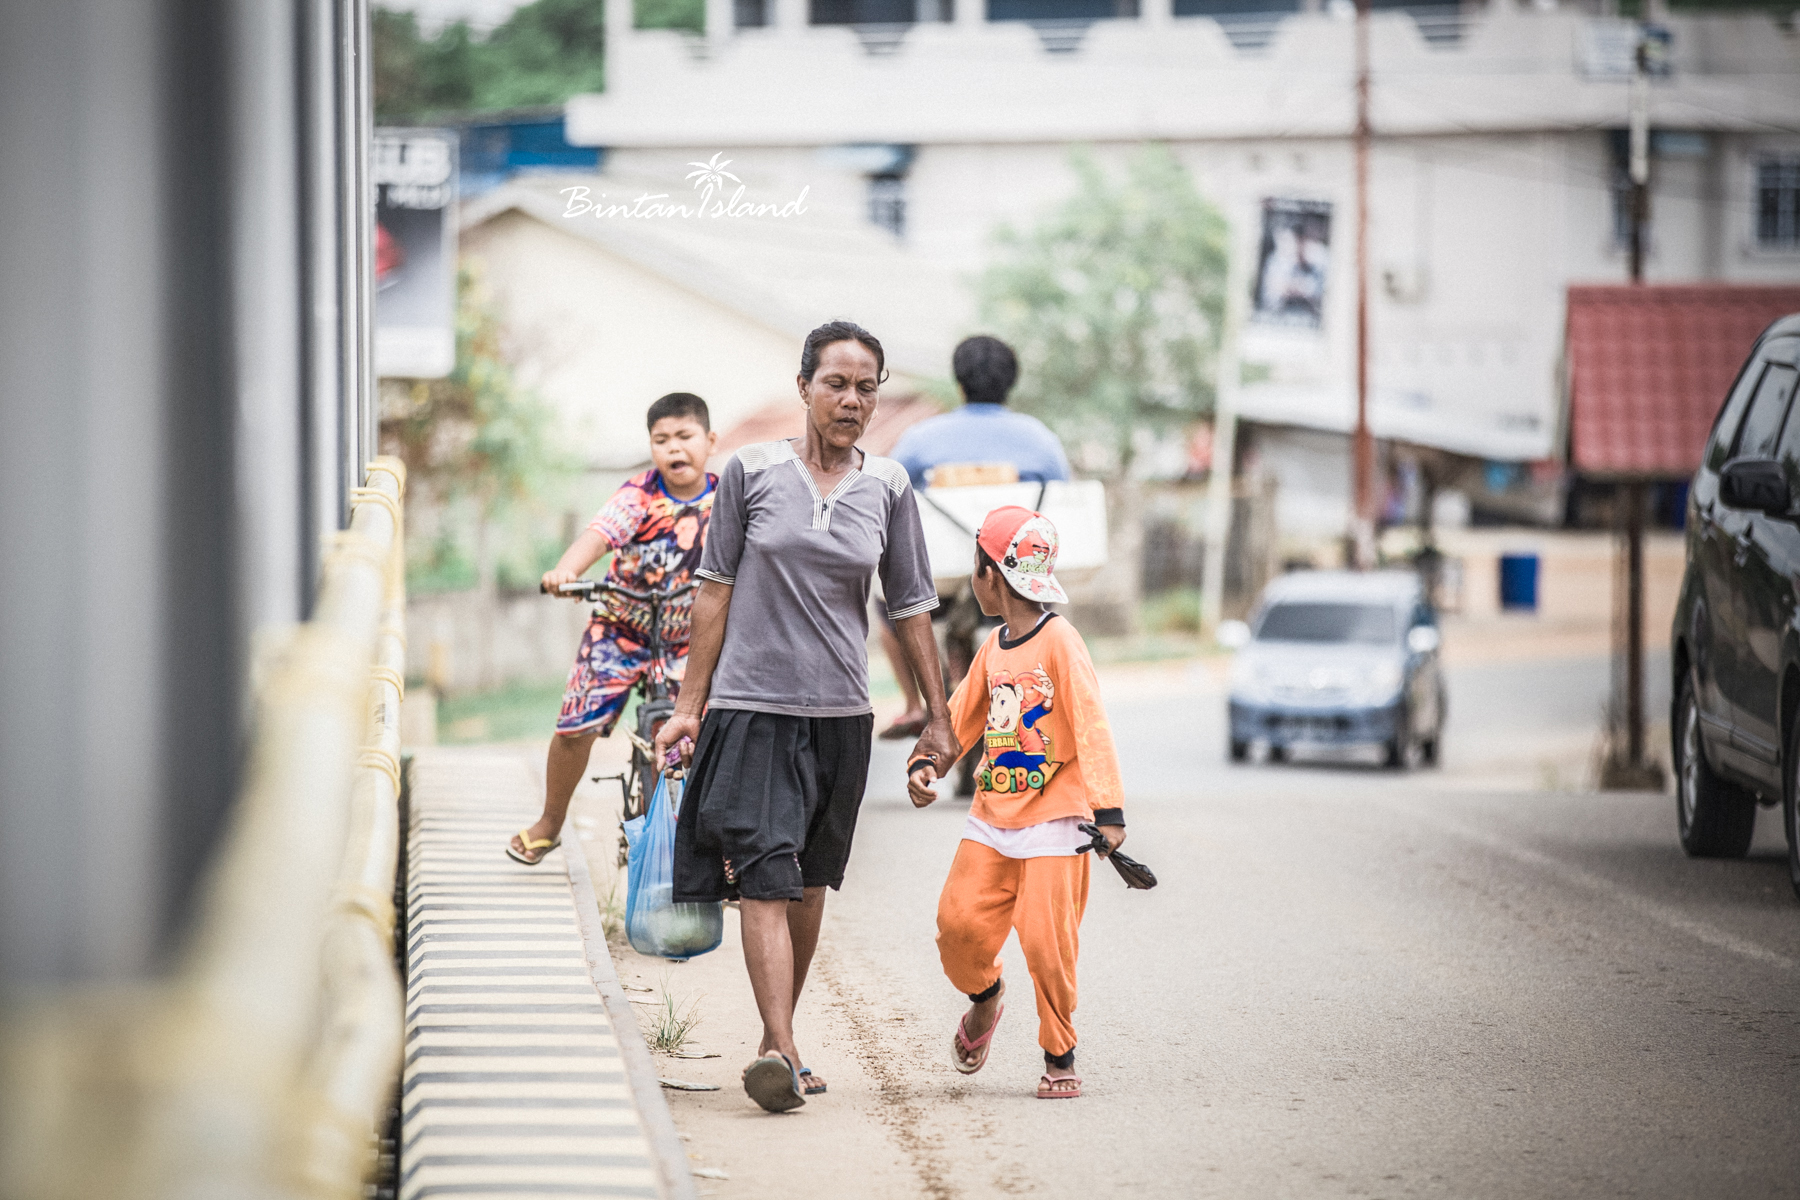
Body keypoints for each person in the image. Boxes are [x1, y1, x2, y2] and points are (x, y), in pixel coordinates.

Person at [654, 321, 957, 1114]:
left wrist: (939, 714)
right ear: (804, 388)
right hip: (752, 708)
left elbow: (912, 604)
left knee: (810, 885)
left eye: (866, 387)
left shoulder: (888, 487)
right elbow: (712, 589)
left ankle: (774, 1038)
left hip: (840, 716)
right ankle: (784, 1046)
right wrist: (691, 707)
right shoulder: (748, 474)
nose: (852, 400)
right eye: (837, 384)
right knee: (764, 872)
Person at [908, 505, 1126, 1101]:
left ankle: (1059, 1050)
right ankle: (986, 997)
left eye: (975, 567)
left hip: (1057, 821)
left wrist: (1108, 811)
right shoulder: (992, 649)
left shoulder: (1061, 641)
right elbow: (959, 720)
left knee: (1044, 940)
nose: (973, 578)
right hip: (993, 819)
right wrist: (926, 764)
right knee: (958, 927)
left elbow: (1092, 725)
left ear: (991, 575)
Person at [507, 393, 719, 866]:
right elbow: (599, 535)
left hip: (691, 638)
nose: (673, 449)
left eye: (684, 437)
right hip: (621, 630)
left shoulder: (727, 499)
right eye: (661, 440)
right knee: (574, 727)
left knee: (716, 727)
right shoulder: (638, 496)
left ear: (709, 441)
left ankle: (715, 842)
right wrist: (565, 570)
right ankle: (551, 822)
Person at [877, 335, 1071, 751]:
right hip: (1016, 576)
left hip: (937, 578)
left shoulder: (919, 439)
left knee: (884, 605)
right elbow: (1064, 501)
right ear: (1011, 383)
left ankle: (914, 703)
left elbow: (889, 495)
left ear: (958, 382)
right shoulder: (1041, 440)